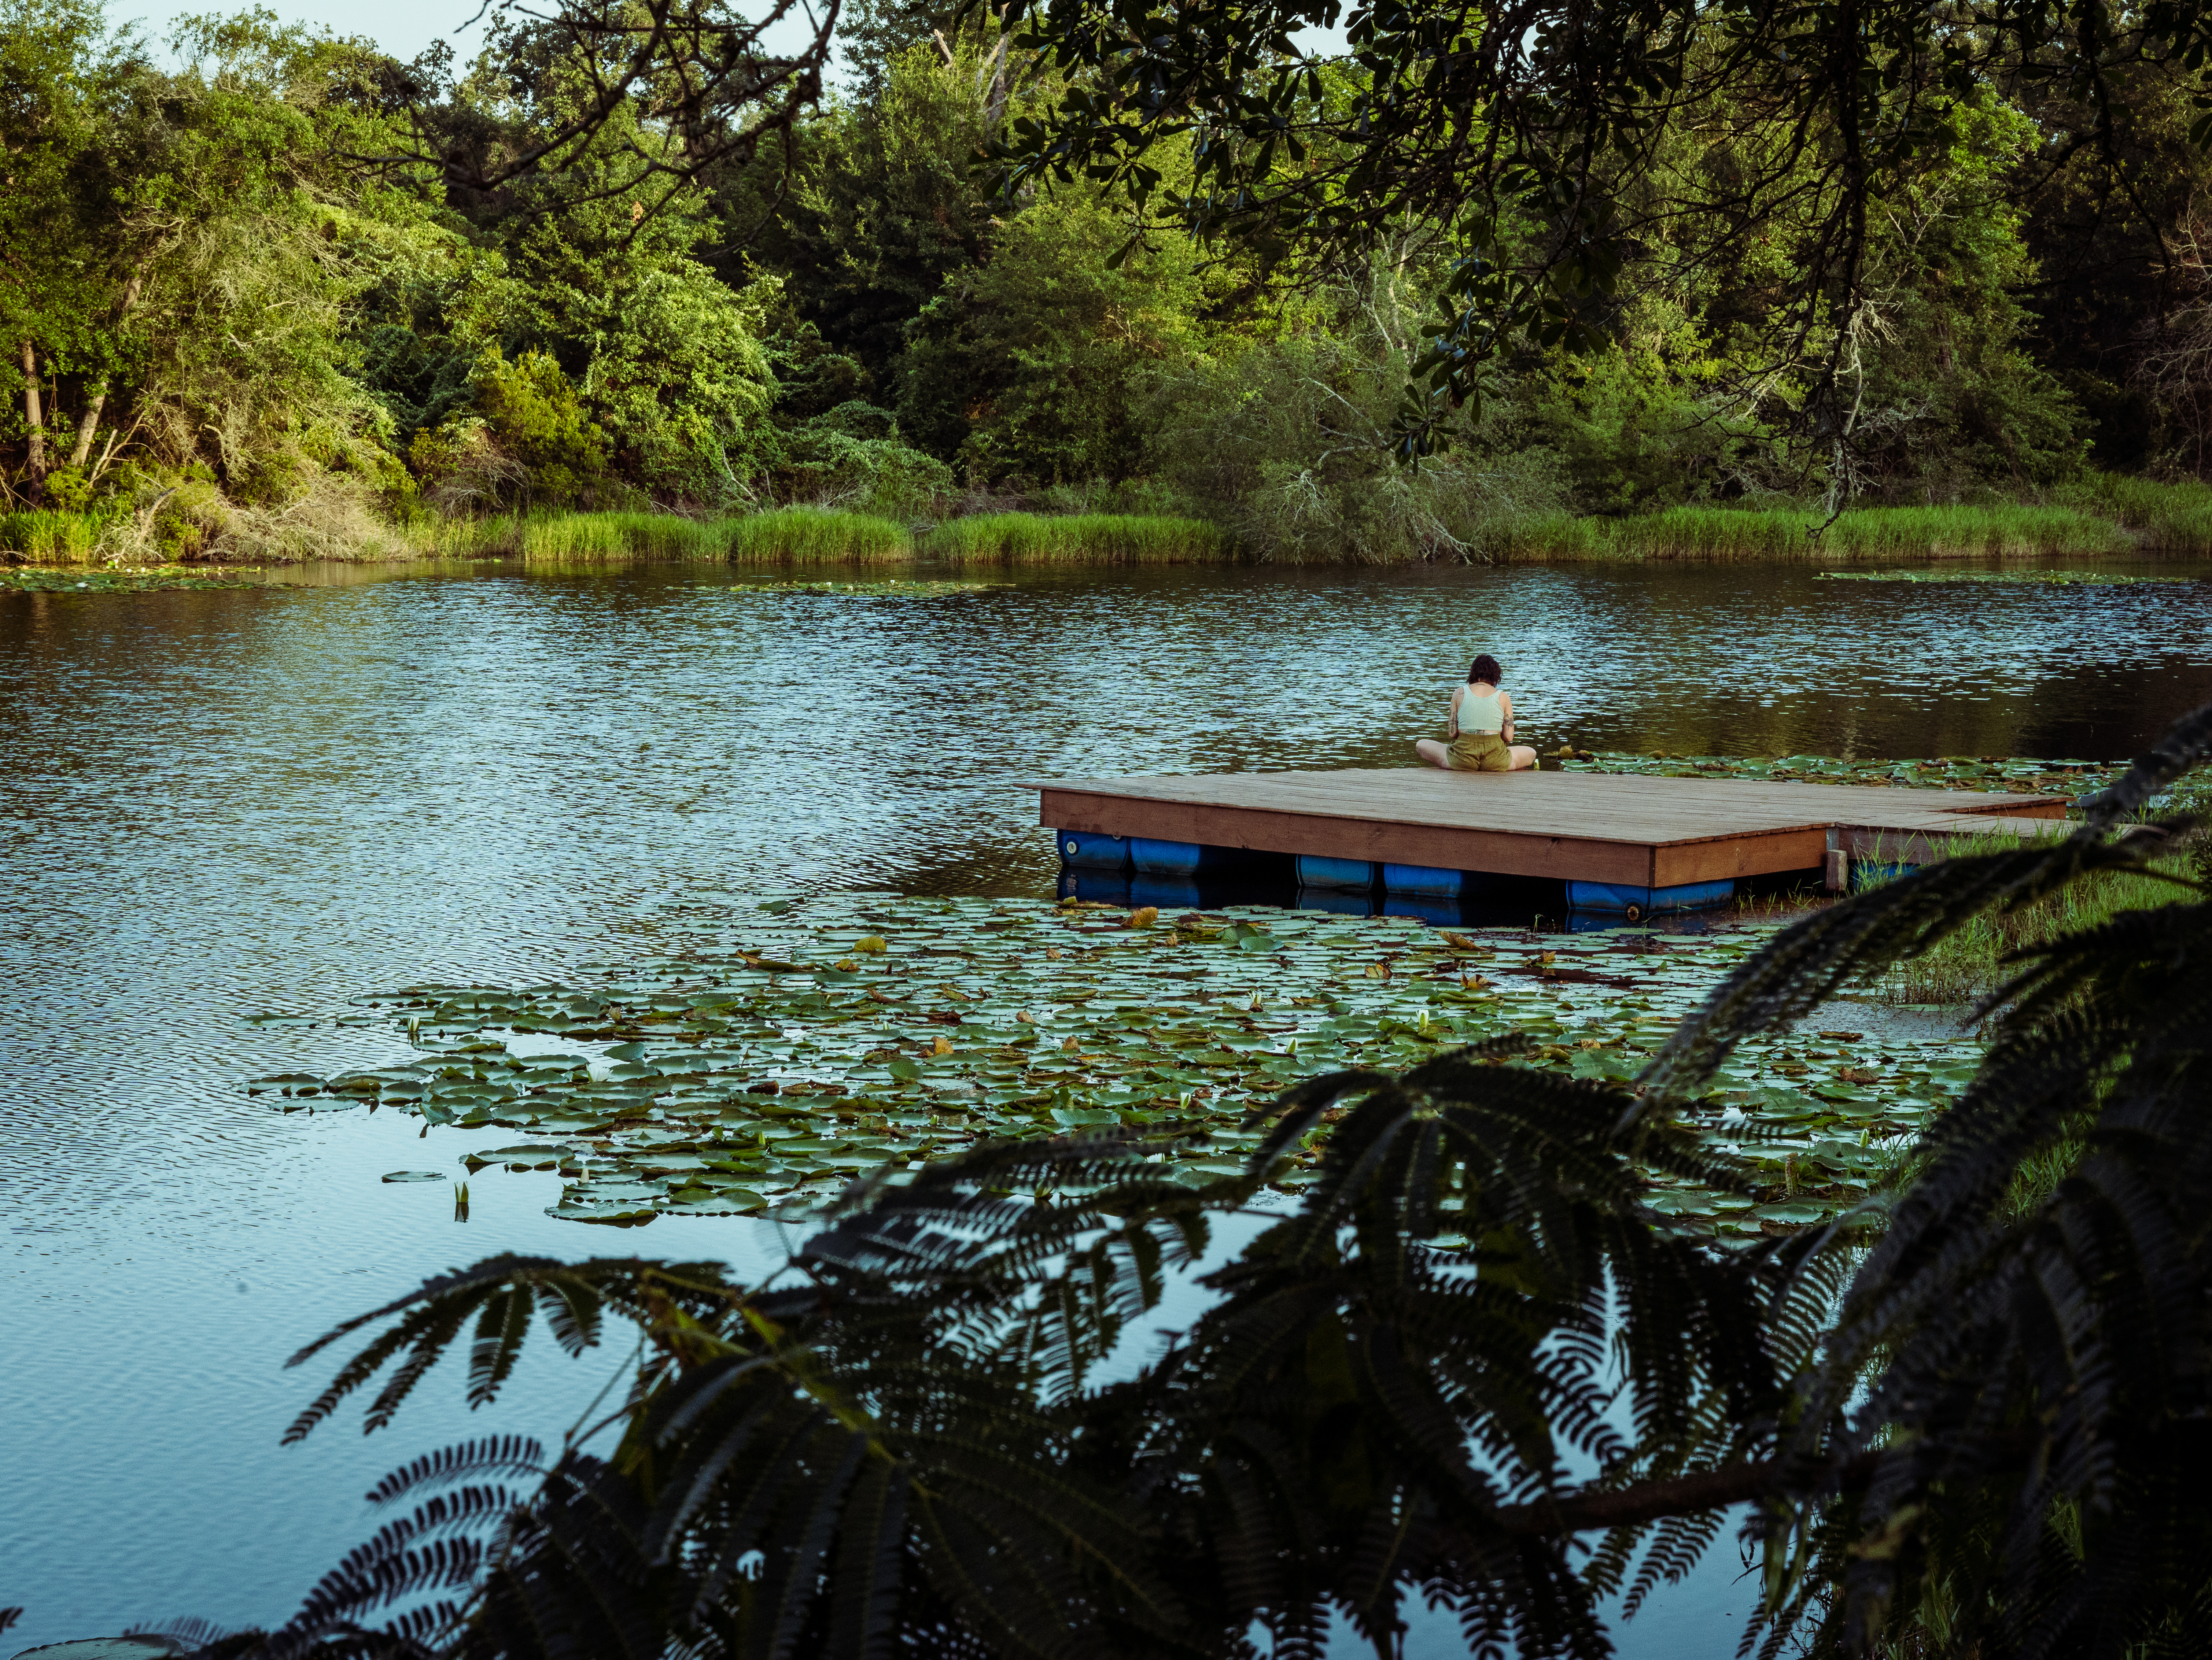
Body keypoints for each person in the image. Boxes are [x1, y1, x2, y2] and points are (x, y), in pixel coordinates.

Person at [1415, 653, 1538, 772]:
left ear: (1473, 673)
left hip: (1462, 759)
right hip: (1496, 760)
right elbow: (1508, 737)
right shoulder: (1503, 697)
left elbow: (1453, 733)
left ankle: (1463, 764)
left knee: (1422, 744)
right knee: (1531, 753)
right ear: (1495, 675)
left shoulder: (1459, 693)